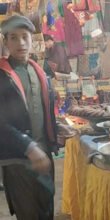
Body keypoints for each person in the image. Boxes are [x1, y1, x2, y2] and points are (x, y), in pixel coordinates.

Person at [0, 15, 66, 220]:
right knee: (28, 214)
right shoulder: (2, 76)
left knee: (46, 210)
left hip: (44, 154)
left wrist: (56, 131)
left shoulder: (39, 72)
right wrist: (29, 147)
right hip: (18, 159)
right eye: (13, 37)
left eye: (24, 37)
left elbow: (43, 111)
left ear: (32, 40)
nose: (20, 43)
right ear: (5, 42)